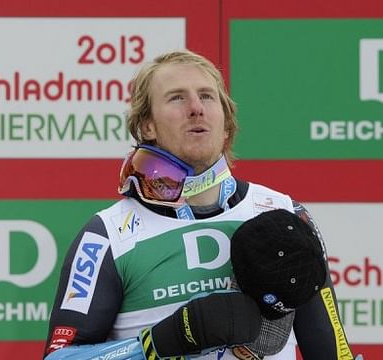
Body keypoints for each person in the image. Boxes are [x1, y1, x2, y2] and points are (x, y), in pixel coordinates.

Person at [42, 49, 357, 359]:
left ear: (226, 119)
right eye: (177, 97)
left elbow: (334, 353)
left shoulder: (286, 213)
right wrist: (158, 343)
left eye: (207, 96)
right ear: (147, 125)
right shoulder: (107, 235)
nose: (196, 108)